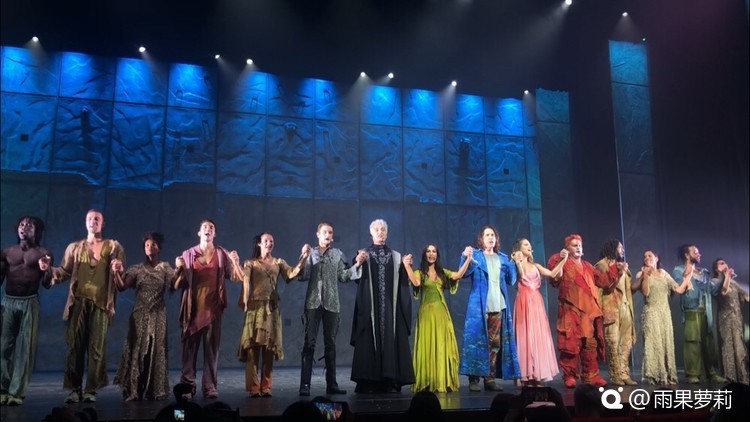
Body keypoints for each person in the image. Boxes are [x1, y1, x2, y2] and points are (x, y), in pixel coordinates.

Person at [39, 209, 125, 403]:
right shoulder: (75, 247)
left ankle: (91, 389)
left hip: (101, 304)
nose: (93, 221)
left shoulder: (113, 246)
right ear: (85, 223)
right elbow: (63, 272)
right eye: (89, 218)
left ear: (103, 223)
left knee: (96, 348)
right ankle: (74, 388)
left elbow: (120, 274)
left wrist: (118, 269)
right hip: (78, 302)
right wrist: (48, 269)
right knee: (74, 346)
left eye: (97, 219)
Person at [172, 219, 243, 400]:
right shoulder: (188, 254)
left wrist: (236, 262)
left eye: (211, 228)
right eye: (205, 227)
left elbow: (236, 276)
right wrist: (178, 268)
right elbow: (176, 284)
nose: (208, 229)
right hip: (193, 309)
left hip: (213, 310)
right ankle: (187, 387)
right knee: (189, 351)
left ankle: (209, 387)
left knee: (211, 351)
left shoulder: (221, 254)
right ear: (199, 232)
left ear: (215, 233)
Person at [297, 222, 366, 396]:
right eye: (325, 232)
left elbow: (343, 276)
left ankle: (332, 384)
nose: (328, 235)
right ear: (318, 234)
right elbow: (302, 276)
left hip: (332, 303)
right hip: (313, 303)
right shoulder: (311, 253)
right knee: (309, 343)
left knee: (331, 344)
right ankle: (305, 385)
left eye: (330, 232)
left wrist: (357, 264)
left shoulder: (337, 254)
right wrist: (303, 256)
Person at [237, 232, 309, 397]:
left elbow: (291, 274)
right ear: (259, 244)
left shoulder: (278, 262)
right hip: (255, 309)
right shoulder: (251, 263)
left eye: (271, 241)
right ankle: (254, 387)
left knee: (269, 347)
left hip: (272, 308)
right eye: (266, 241)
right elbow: (243, 278)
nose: (269, 243)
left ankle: (266, 386)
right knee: (252, 348)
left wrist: (304, 257)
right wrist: (235, 262)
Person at [547, 234, 620, 389]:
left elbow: (603, 281)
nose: (578, 248)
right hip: (570, 309)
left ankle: (591, 375)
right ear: (567, 248)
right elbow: (554, 278)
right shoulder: (563, 262)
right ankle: (569, 375)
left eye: (580, 245)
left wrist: (615, 268)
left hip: (588, 312)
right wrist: (560, 258)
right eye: (574, 245)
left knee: (589, 344)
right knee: (570, 344)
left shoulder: (587, 266)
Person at [350, 218, 414, 393]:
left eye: (383, 229)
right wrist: (357, 262)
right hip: (370, 306)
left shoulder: (396, 256)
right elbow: (352, 277)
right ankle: (368, 381)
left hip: (390, 307)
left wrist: (407, 266)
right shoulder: (363, 254)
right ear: (371, 234)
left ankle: (389, 380)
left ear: (387, 233)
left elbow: (404, 283)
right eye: (377, 230)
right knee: (369, 339)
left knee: (389, 339)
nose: (380, 232)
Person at [402, 243, 473, 392]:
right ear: (424, 255)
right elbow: (415, 283)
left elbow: (457, 276)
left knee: (441, 346)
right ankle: (427, 381)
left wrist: (468, 259)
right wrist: (407, 266)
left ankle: (441, 380)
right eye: (428, 251)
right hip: (426, 315)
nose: (431, 254)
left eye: (434, 251)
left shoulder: (442, 272)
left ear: (437, 255)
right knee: (427, 346)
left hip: (441, 314)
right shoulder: (419, 272)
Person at [113, 231, 174, 401]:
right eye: (147, 245)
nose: (150, 247)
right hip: (140, 314)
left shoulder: (165, 268)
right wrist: (115, 272)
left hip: (158, 313)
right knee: (138, 349)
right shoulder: (137, 269)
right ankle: (134, 387)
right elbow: (122, 287)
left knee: (157, 349)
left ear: (158, 248)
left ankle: (154, 388)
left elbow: (175, 284)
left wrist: (182, 269)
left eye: (153, 244)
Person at [460, 225, 520, 392]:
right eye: (487, 235)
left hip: (497, 305)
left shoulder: (502, 258)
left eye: (492, 235)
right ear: (481, 239)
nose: (490, 237)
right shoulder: (476, 255)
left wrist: (513, 263)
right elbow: (464, 273)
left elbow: (511, 280)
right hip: (479, 307)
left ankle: (489, 378)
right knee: (476, 343)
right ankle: (474, 379)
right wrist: (465, 257)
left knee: (494, 343)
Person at [0, 216, 53, 406]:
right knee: (3, 347)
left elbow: (47, 284)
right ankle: (2, 389)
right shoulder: (7, 252)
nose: (24, 227)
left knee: (24, 349)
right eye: (22, 224)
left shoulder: (43, 253)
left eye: (29, 225)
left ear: (36, 231)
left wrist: (46, 269)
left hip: (29, 303)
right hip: (8, 302)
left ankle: (16, 392)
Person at [509, 238, 567, 387]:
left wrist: (563, 259)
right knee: (525, 336)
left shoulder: (536, 266)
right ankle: (526, 375)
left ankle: (537, 375)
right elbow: (521, 276)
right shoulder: (515, 265)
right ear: (519, 248)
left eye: (529, 244)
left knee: (537, 335)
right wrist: (518, 261)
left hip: (536, 302)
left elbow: (553, 273)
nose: (529, 246)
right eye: (525, 244)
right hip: (523, 301)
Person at [631, 250, 691, 385]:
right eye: (644, 256)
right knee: (653, 343)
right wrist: (645, 276)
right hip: (651, 313)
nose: (646, 258)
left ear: (656, 258)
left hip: (664, 314)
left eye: (650, 256)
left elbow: (678, 289)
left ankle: (668, 375)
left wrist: (688, 277)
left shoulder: (664, 273)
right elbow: (645, 293)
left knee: (666, 343)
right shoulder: (641, 274)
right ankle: (654, 375)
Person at [672, 244, 725, 384]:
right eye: (695, 252)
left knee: (709, 344)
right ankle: (692, 374)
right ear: (686, 255)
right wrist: (687, 273)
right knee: (692, 342)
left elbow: (712, 290)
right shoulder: (678, 270)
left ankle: (711, 373)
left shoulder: (704, 272)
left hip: (706, 311)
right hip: (691, 310)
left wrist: (722, 276)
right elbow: (679, 287)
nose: (699, 254)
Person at [594, 239, 636, 386]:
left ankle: (624, 373)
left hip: (625, 306)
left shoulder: (622, 265)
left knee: (626, 342)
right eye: (620, 248)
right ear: (612, 248)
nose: (622, 250)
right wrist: (619, 272)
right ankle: (616, 374)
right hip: (611, 307)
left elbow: (628, 289)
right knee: (613, 342)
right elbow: (607, 286)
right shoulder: (601, 265)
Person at [711, 258, 749, 384]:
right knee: (728, 346)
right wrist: (727, 276)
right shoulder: (715, 282)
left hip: (737, 319)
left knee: (739, 347)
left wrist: (729, 277)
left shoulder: (734, 283)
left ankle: (741, 376)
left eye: (725, 263)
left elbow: (746, 296)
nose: (725, 265)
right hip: (725, 319)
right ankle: (730, 377)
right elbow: (724, 291)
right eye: (721, 264)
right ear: (716, 269)